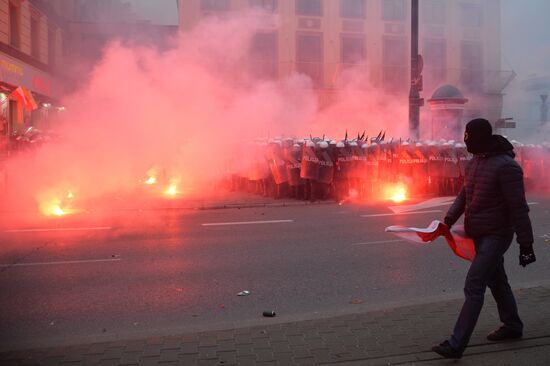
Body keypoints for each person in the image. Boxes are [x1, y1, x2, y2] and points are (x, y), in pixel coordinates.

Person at [432, 118, 536, 359]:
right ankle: (512, 326)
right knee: (496, 281)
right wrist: (447, 221)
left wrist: (526, 243)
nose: (465, 141)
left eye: (469, 136)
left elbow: (518, 208)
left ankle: (456, 345)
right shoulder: (475, 162)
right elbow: (464, 195)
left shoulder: (506, 167)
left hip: (497, 234)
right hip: (478, 231)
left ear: (481, 138)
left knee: (474, 284)